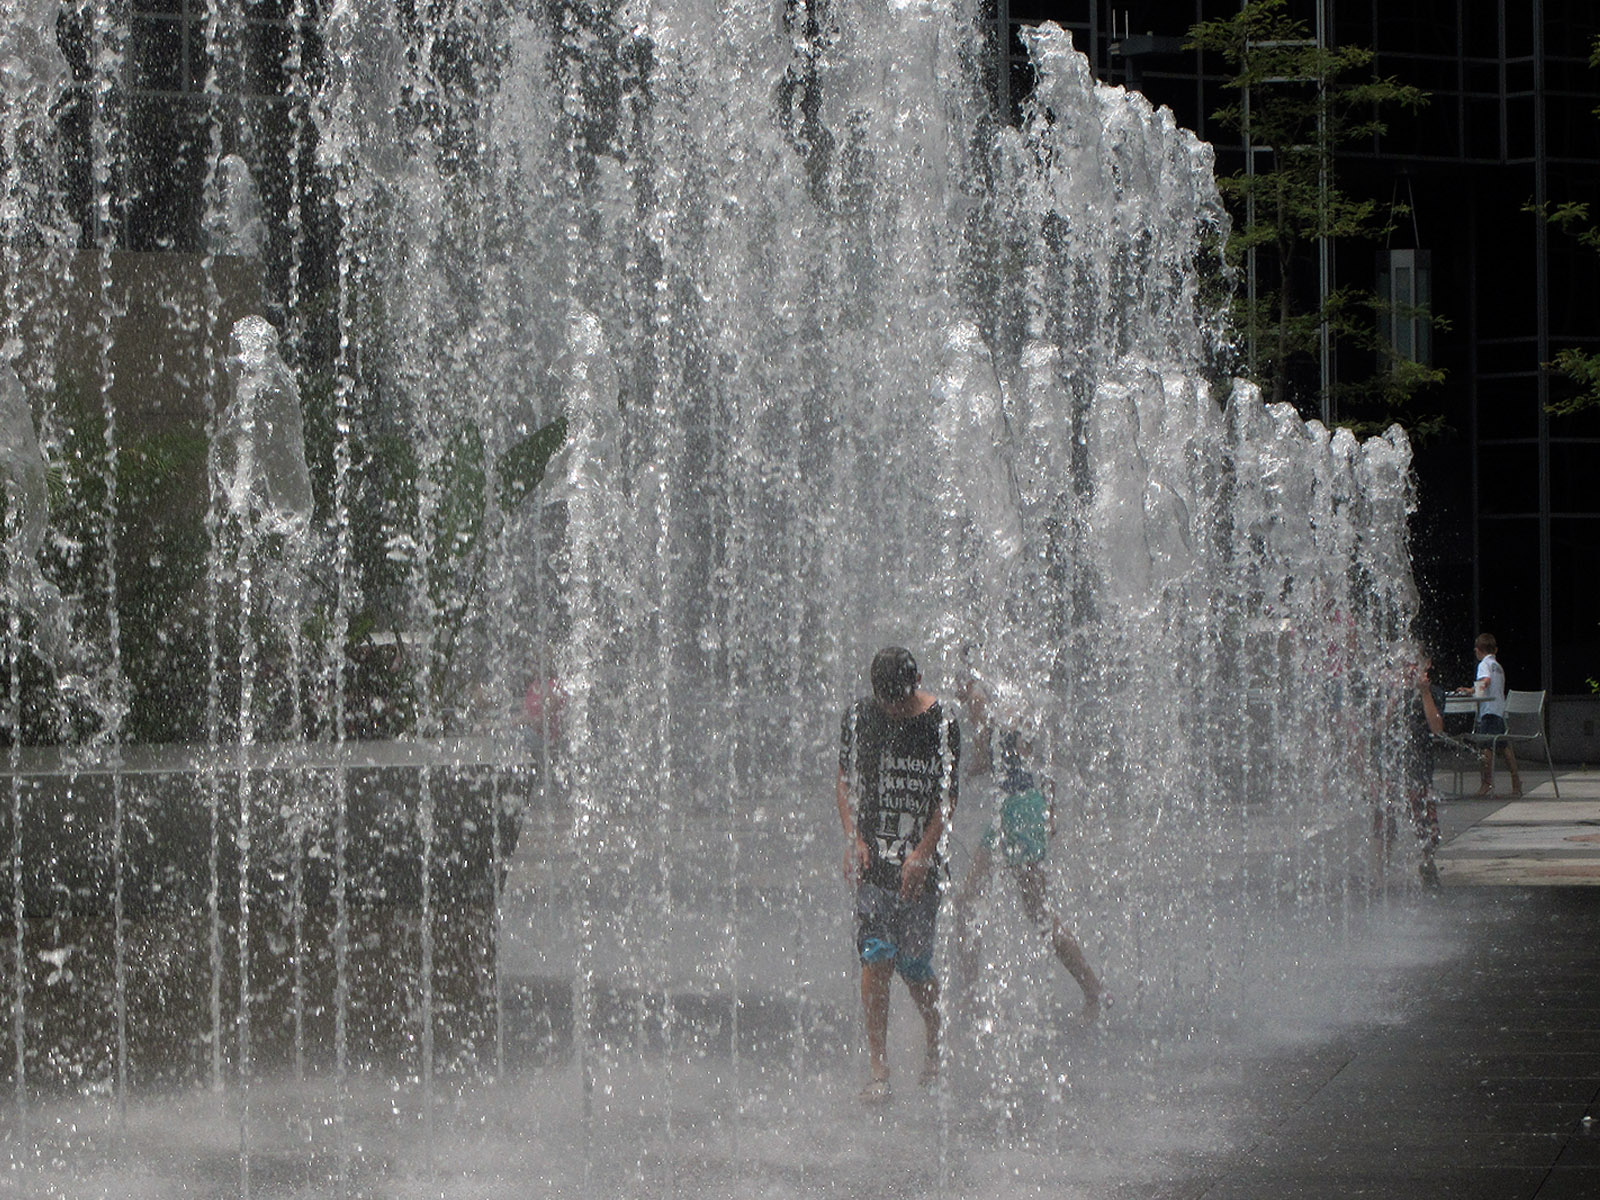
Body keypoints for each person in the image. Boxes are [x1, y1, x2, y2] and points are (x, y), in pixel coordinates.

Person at [836, 647, 960, 1104]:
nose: (892, 711)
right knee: (875, 957)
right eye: (885, 703)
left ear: (917, 682)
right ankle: (879, 1069)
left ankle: (934, 1041)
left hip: (921, 868)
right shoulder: (858, 718)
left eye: (899, 703)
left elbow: (948, 799)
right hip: (874, 862)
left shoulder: (942, 724)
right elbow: (844, 780)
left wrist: (924, 853)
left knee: (912, 965)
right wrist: (854, 838)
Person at [949, 672, 1104, 1022]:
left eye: (957, 681)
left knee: (1035, 914)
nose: (954, 690)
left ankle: (1092, 990)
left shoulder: (979, 704)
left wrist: (965, 770)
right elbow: (1038, 758)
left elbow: (982, 759)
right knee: (968, 902)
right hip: (1020, 810)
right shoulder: (1012, 701)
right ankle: (971, 999)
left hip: (1017, 813)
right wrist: (1049, 810)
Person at [1374, 651, 1446, 887]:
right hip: (1393, 764)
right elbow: (1379, 727)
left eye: (1415, 664)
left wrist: (1424, 692)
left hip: (1420, 764)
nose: (1409, 669)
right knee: (1386, 819)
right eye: (1405, 665)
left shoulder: (1434, 693)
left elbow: (1436, 727)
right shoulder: (1390, 692)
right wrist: (1395, 696)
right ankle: (1381, 869)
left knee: (1424, 818)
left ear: (1427, 666)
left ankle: (1427, 862)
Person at [1456, 632, 1521, 798]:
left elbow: (1485, 681)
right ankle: (1516, 781)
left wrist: (1472, 691)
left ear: (1478, 650)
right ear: (1495, 650)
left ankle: (1486, 783)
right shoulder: (1498, 666)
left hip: (1488, 712)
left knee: (1486, 748)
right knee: (1504, 747)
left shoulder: (1484, 664)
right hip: (1499, 710)